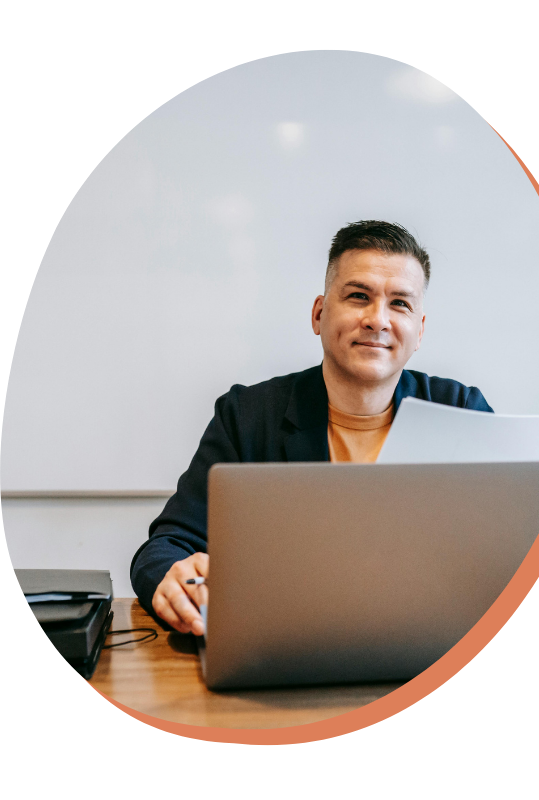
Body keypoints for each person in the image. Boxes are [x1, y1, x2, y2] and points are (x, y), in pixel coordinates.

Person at [130, 220, 493, 636]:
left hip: (430, 646)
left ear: (420, 330)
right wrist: (172, 579)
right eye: (359, 296)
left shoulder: (465, 414)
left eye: (400, 304)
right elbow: (165, 547)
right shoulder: (247, 416)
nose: (378, 320)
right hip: (285, 648)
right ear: (319, 314)